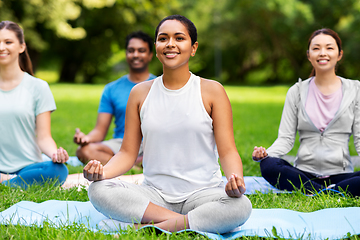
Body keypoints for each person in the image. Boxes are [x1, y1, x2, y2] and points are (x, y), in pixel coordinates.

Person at [83, 15, 252, 234]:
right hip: (154, 196)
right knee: (98, 190)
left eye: (179, 38)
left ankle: (142, 228)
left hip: (203, 194)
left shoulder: (212, 91)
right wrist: (102, 173)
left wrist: (234, 181)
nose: (170, 43)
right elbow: (126, 153)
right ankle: (184, 223)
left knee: (241, 206)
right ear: (156, 47)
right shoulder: (139, 93)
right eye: (163, 38)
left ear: (193, 48)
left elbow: (228, 151)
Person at [253, 28, 360, 196]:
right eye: (316, 48)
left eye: (329, 48)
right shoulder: (296, 92)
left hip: (343, 174)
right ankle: (332, 193)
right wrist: (266, 154)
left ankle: (318, 192)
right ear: (309, 55)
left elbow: (359, 140)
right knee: (268, 165)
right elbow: (286, 139)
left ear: (339, 54)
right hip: (303, 174)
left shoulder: (355, 90)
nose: (322, 53)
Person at [0, 21, 69, 188]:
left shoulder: (38, 87)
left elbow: (44, 137)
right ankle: (13, 183)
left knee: (58, 170)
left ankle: (7, 182)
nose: (2, 47)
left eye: (8, 42)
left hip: (28, 167)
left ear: (21, 47)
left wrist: (55, 154)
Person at [74, 31, 156, 166]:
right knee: (84, 151)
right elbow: (100, 131)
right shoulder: (111, 89)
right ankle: (133, 165)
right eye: (131, 50)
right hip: (121, 143)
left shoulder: (160, 85)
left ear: (150, 55)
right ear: (126, 54)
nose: (135, 55)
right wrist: (86, 138)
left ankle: (124, 165)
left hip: (153, 143)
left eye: (141, 51)